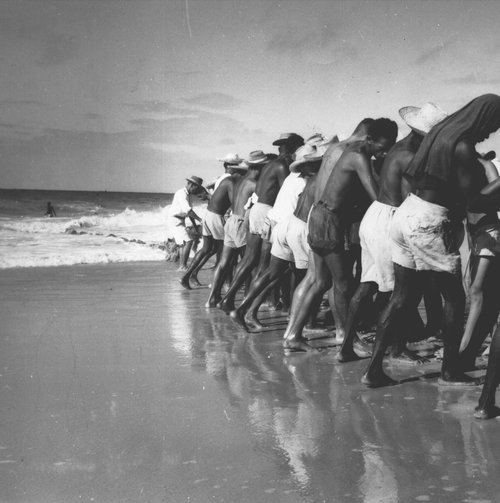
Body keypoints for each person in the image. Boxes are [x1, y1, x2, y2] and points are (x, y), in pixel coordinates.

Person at [362, 93, 500, 388]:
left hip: (406, 214)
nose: (492, 132)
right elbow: (475, 202)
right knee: (454, 298)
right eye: (493, 125)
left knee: (401, 296)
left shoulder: (439, 136)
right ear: (483, 119)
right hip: (431, 221)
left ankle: (373, 370)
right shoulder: (462, 145)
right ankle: (450, 372)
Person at [338, 103, 448, 363]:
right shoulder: (411, 155)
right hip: (390, 219)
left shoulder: (398, 149)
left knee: (367, 284)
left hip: (375, 216)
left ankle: (346, 346)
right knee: (401, 290)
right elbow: (410, 200)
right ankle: (396, 348)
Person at [283, 118, 398, 353]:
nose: (382, 151)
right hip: (331, 220)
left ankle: (292, 334)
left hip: (317, 215)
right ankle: (347, 337)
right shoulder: (357, 154)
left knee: (319, 281)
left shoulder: (335, 149)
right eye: (381, 146)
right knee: (342, 283)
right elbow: (376, 195)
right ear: (368, 138)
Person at [229, 144, 324, 330]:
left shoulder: (290, 178)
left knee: (271, 272)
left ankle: (244, 310)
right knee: (306, 277)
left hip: (275, 224)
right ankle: (302, 322)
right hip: (292, 227)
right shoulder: (309, 182)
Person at [219, 134, 304, 314]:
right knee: (264, 265)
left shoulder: (270, 165)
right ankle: (251, 309)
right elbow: (286, 194)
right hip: (266, 210)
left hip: (257, 209)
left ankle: (230, 299)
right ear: (292, 148)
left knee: (250, 260)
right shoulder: (281, 166)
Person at [459, 153, 500, 371]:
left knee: (476, 291)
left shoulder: (484, 166)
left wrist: (477, 198)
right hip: (475, 233)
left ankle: (464, 350)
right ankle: (472, 349)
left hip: (490, 231)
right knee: (481, 293)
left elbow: (494, 194)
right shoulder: (460, 166)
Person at [205, 157, 264, 308]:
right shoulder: (253, 184)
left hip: (231, 221)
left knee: (224, 262)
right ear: (256, 168)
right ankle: (243, 298)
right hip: (241, 223)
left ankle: (213, 298)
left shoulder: (238, 183)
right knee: (248, 263)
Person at [180, 163, 248, 289]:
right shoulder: (231, 181)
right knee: (226, 252)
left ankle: (187, 276)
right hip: (217, 216)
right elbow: (235, 203)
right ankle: (225, 283)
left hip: (208, 214)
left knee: (207, 249)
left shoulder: (222, 179)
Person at [169, 176, 204, 271]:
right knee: (188, 241)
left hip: (181, 220)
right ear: (191, 185)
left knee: (183, 243)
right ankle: (183, 266)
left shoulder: (189, 195)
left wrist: (195, 225)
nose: (197, 191)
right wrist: (200, 220)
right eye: (197, 188)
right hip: (175, 220)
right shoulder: (181, 193)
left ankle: (182, 265)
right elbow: (188, 210)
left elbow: (189, 213)